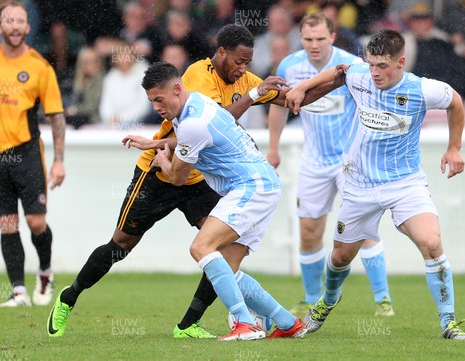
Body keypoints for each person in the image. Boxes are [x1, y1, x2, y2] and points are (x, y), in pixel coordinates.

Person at [45, 24, 330, 339]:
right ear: (221, 53)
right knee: (122, 244)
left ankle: (195, 323)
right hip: (161, 175)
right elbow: (209, 125)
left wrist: (336, 80)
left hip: (197, 176)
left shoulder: (245, 82)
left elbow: (293, 99)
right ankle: (69, 297)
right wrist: (156, 147)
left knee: (212, 250)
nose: (243, 68)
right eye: (238, 61)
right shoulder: (197, 77)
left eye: (248, 62)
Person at [285, 29, 465, 340]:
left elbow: (455, 101)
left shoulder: (423, 90)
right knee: (340, 257)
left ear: (400, 62)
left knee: (432, 243)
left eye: (382, 66)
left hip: (405, 184)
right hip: (359, 186)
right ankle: (328, 300)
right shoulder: (360, 74)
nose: (374, 72)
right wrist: (301, 87)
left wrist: (454, 147)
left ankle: (449, 322)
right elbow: (339, 72)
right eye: (371, 64)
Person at [144, 61, 307, 341]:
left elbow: (178, 178)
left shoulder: (191, 124)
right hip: (262, 183)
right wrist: (159, 145)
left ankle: (245, 323)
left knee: (201, 247)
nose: (157, 107)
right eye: (152, 101)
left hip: (250, 186)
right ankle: (286, 321)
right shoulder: (197, 102)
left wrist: (162, 160)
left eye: (159, 99)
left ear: (176, 89)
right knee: (228, 269)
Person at [267, 12, 395, 318]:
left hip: (350, 162)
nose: (314, 45)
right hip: (313, 161)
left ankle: (382, 299)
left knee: (362, 230)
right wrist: (272, 147)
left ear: (333, 37)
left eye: (320, 39)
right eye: (308, 39)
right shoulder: (288, 66)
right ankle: (312, 296)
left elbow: (373, 104)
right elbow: (278, 106)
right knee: (309, 231)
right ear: (301, 38)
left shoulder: (352, 66)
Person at [0, 0, 66, 307]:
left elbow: (57, 116)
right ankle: (18, 291)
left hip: (27, 153)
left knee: (35, 222)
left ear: (28, 26)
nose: (15, 26)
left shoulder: (38, 66)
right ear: (0, 25)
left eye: (20, 21)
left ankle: (45, 270)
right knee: (7, 224)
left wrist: (59, 161)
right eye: (9, 21)